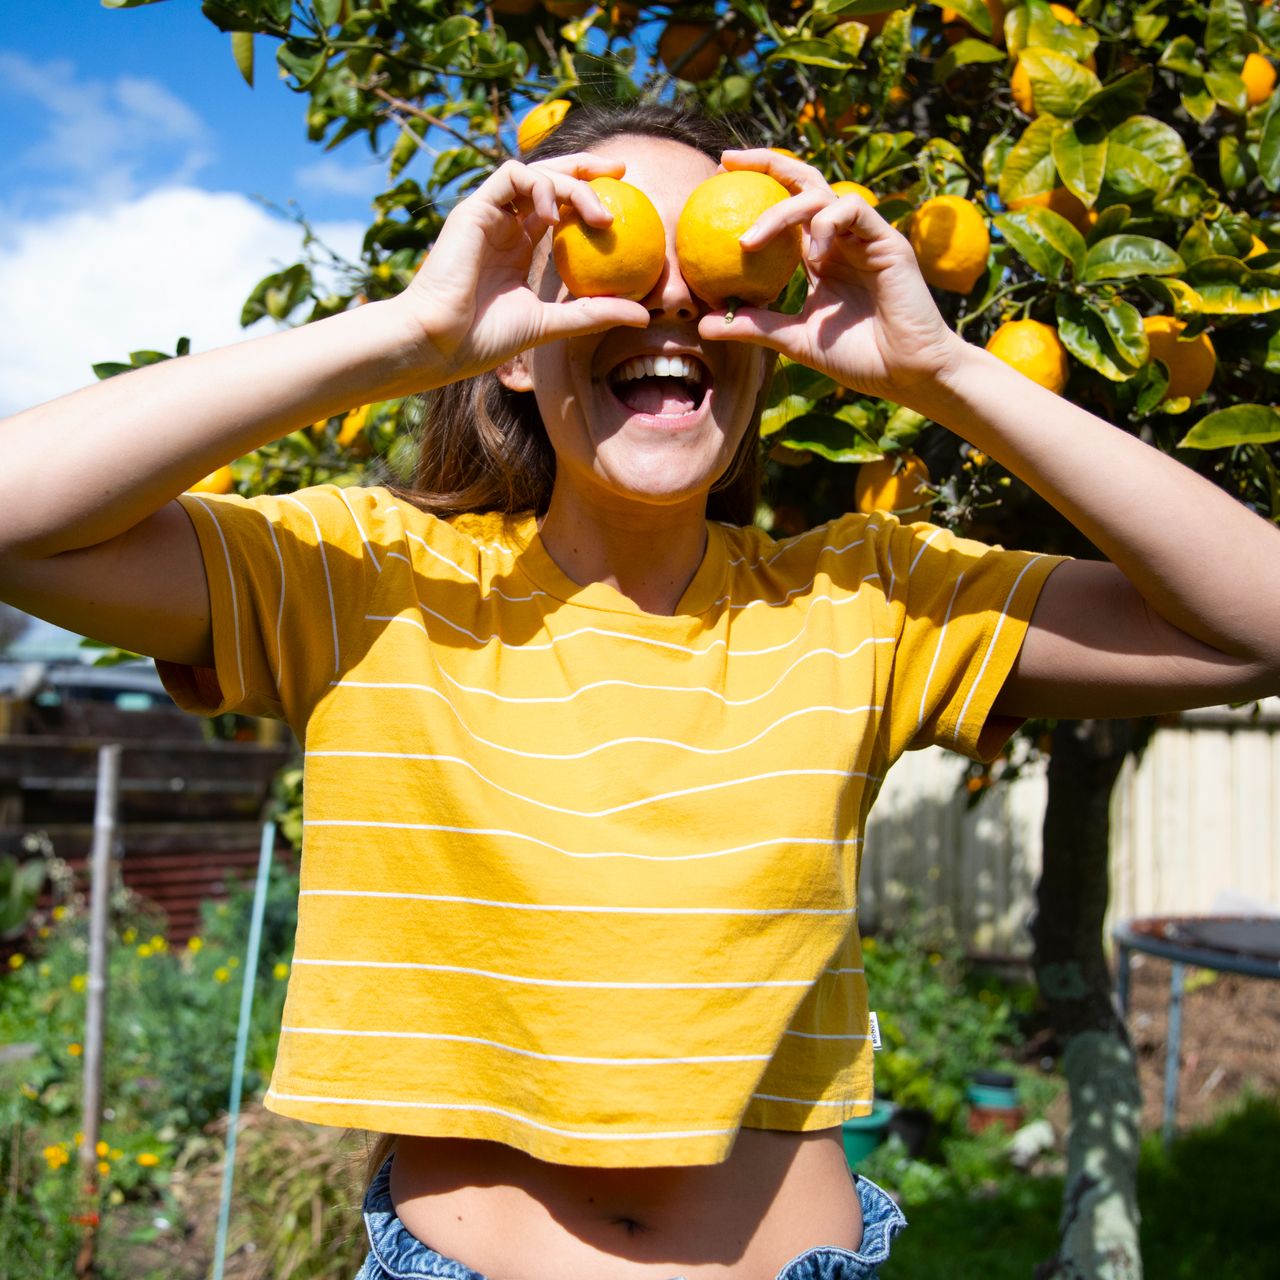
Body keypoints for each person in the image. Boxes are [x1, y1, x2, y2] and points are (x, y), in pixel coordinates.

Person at [2, 98, 1278, 1280]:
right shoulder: (365, 579)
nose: (668, 300)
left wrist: (937, 367)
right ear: (515, 339)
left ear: (766, 333)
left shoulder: (871, 597)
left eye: (715, 270)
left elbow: (1253, 624)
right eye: (613, 257)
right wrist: (407, 332)